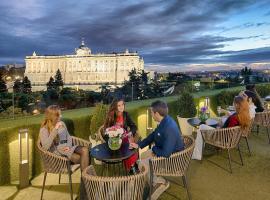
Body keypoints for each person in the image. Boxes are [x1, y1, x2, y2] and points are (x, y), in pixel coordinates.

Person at [129, 100, 184, 200]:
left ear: (156, 113)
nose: (151, 114)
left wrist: (154, 149)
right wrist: (138, 145)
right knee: (144, 156)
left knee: (143, 164)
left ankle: (160, 183)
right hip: (165, 151)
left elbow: (166, 154)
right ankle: (152, 180)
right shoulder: (164, 120)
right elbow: (153, 135)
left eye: (151, 113)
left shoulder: (169, 127)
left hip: (174, 160)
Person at [192, 95, 251, 160]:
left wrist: (218, 129)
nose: (233, 105)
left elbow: (228, 132)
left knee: (201, 126)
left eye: (233, 103)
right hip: (233, 139)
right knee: (213, 123)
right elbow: (230, 128)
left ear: (237, 105)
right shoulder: (243, 115)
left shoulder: (234, 118)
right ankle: (199, 150)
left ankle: (197, 154)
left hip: (223, 138)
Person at [39, 105, 89, 170]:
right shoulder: (44, 129)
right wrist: (55, 130)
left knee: (85, 150)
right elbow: (45, 147)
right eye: (58, 115)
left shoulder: (61, 123)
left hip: (67, 147)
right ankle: (84, 179)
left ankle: (84, 179)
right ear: (52, 116)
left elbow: (68, 137)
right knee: (82, 158)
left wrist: (68, 146)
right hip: (58, 151)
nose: (61, 116)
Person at [104, 98, 139, 174]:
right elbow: (106, 130)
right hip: (114, 140)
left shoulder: (125, 114)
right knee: (128, 149)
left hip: (125, 137)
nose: (121, 107)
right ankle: (133, 168)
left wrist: (130, 133)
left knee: (130, 146)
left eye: (122, 104)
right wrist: (113, 135)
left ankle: (132, 168)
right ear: (115, 107)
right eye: (119, 105)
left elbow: (134, 126)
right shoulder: (111, 116)